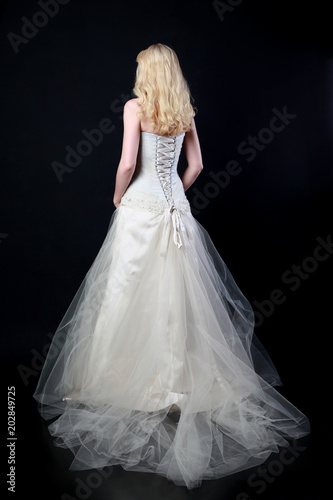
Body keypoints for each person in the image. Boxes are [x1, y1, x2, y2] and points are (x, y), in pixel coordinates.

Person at [33, 43, 310, 490]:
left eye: (140, 66)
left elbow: (126, 162)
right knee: (181, 299)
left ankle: (123, 381)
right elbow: (197, 165)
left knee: (126, 294)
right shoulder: (184, 110)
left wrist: (118, 198)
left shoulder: (135, 107)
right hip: (176, 211)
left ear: (147, 71)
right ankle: (177, 382)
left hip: (141, 212)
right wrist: (175, 196)